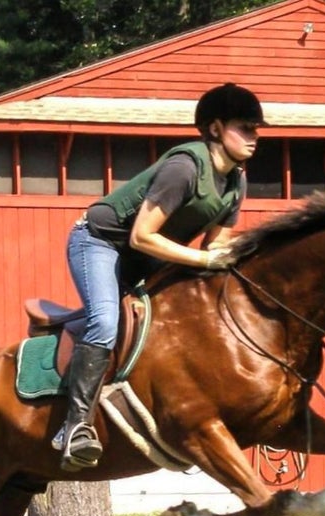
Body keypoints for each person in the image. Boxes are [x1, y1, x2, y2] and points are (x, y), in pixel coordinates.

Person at [54, 82, 266, 471]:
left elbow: (214, 249)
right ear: (216, 129)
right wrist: (204, 263)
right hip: (100, 243)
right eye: (246, 128)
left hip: (145, 257)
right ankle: (74, 427)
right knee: (105, 320)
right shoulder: (184, 167)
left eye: (256, 129)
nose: (255, 137)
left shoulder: (237, 181)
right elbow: (141, 235)